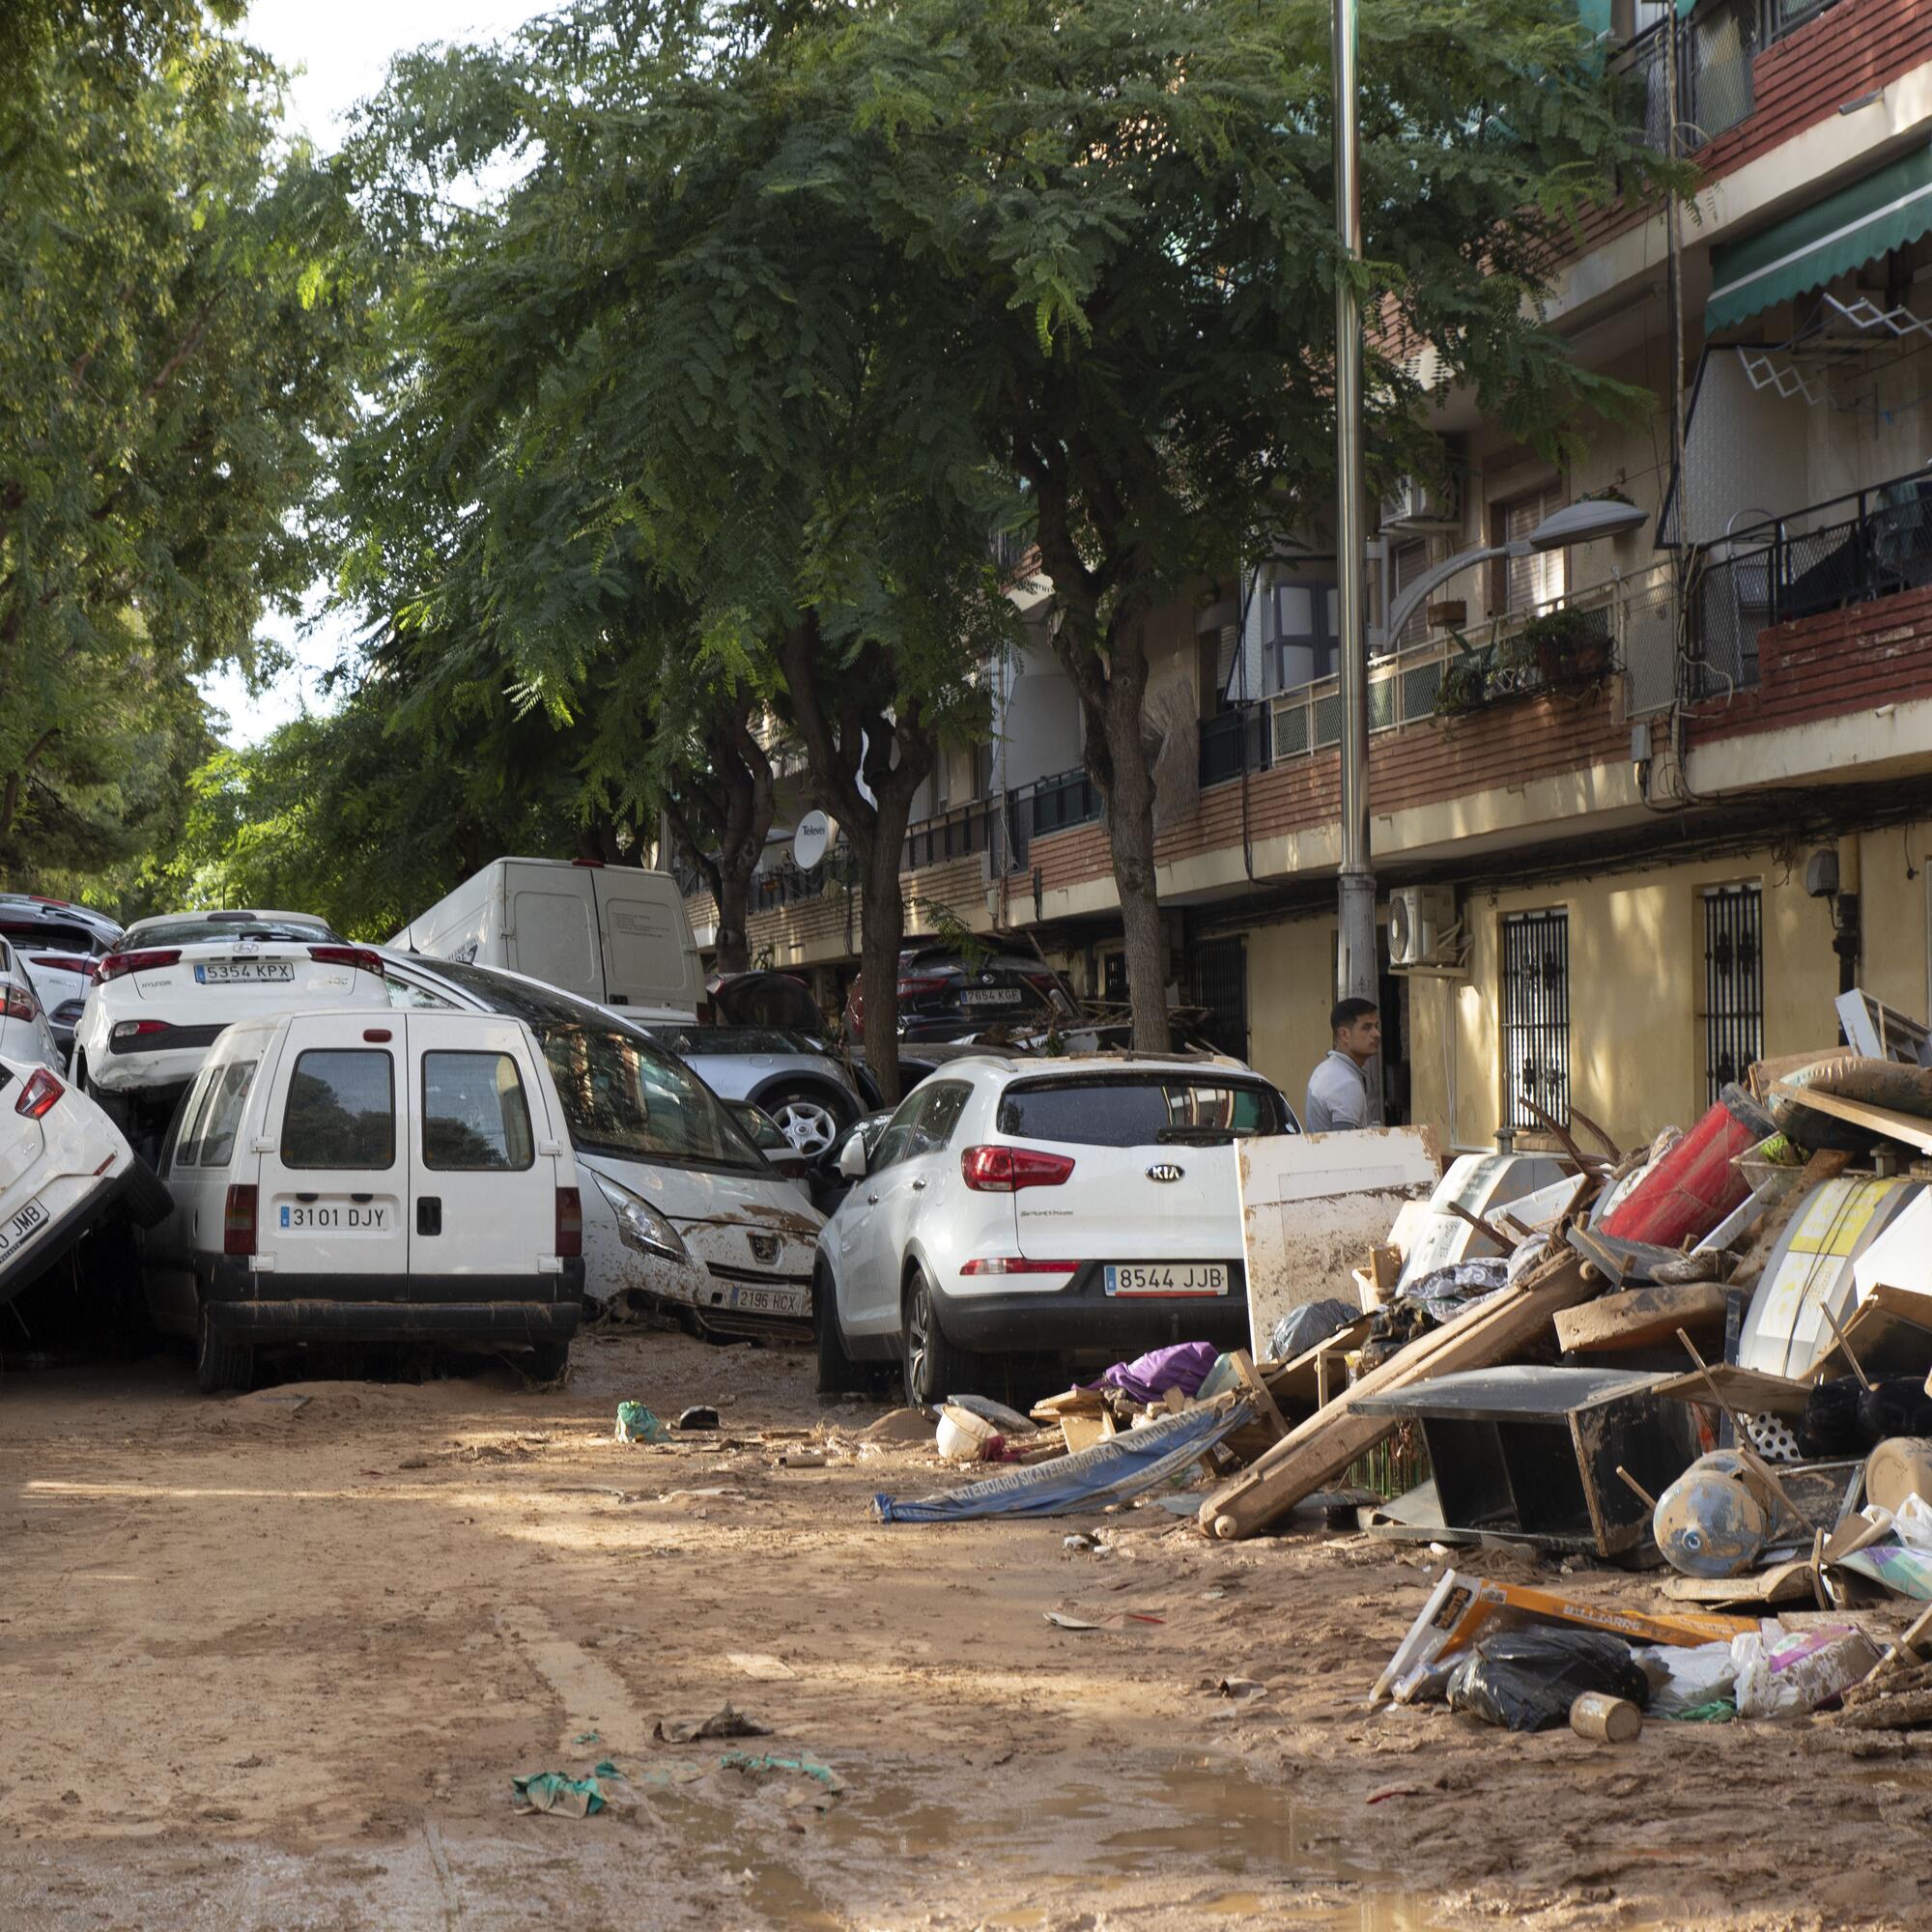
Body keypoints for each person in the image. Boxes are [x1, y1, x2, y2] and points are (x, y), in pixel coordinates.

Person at [1304, 997, 1380, 1133]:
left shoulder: (1328, 1069)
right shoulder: (1345, 1083)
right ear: (1344, 1034)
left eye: (1376, 1026)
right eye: (1366, 1027)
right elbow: (1345, 1145)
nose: (1376, 1034)